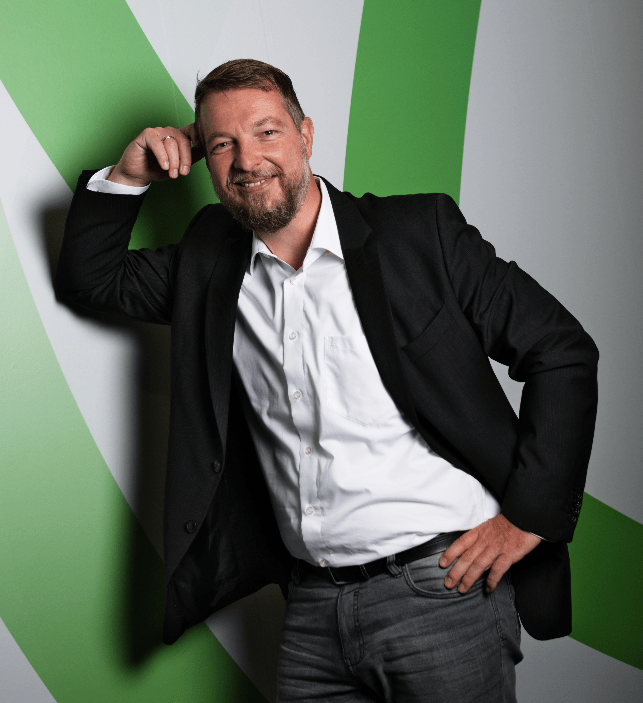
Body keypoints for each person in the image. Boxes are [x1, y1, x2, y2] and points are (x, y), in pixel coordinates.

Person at [56, 59, 598, 702]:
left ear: (306, 135)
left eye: (266, 132)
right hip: (312, 609)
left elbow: (560, 350)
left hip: (441, 589)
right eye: (222, 144)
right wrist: (129, 176)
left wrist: (530, 516)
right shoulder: (209, 262)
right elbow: (92, 279)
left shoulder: (417, 234)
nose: (247, 160)